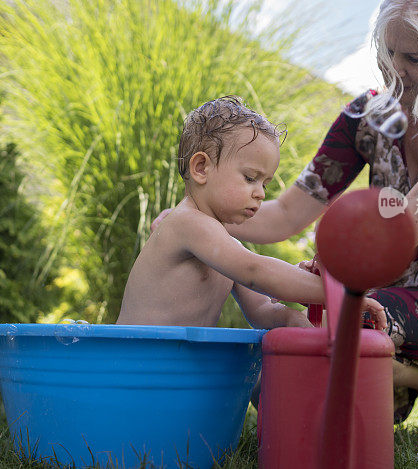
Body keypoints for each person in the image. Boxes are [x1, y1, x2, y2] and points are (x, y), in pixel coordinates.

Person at [155, 0, 418, 453]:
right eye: (388, 52)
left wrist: (338, 281)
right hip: (380, 297)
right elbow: (284, 215)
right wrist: (201, 213)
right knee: (321, 359)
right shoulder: (367, 115)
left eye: (414, 57)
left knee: (343, 328)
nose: (396, 69)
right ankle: (402, 379)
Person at [117, 96, 388, 330]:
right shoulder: (187, 223)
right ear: (201, 168)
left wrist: (294, 316)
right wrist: (338, 295)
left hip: (173, 374)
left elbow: (262, 311)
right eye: (249, 178)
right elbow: (257, 272)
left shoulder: (228, 247)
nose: (260, 193)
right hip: (132, 365)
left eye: (265, 183)